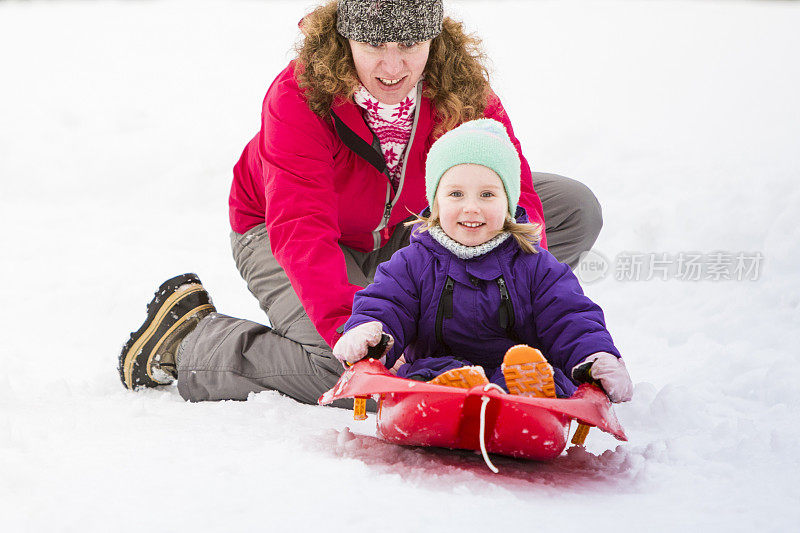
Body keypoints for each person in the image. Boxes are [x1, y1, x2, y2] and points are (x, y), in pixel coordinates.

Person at [118, 0, 606, 407]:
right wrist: (360, 338)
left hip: (405, 225)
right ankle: (189, 342)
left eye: (410, 46)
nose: (393, 68)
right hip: (281, 232)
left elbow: (513, 188)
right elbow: (301, 230)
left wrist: (525, 308)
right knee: (350, 372)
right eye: (374, 45)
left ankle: (464, 327)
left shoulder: (459, 85)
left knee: (571, 208)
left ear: (434, 40)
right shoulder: (299, 96)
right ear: (344, 37)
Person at [333, 119, 632, 402]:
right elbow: (388, 303)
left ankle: (523, 398)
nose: (471, 208)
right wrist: (370, 331)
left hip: (516, 373)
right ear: (436, 202)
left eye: (487, 194)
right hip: (436, 372)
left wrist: (594, 356)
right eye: (456, 194)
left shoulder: (536, 265)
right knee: (430, 375)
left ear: (509, 203)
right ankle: (454, 392)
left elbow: (569, 317)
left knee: (540, 376)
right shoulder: (413, 263)